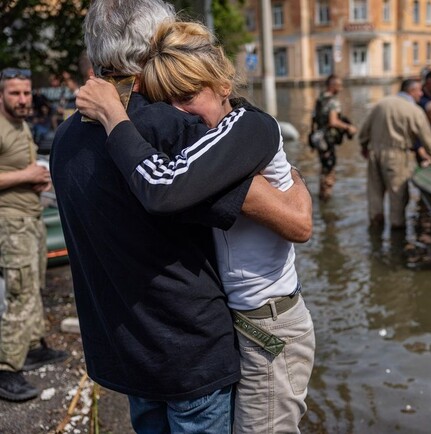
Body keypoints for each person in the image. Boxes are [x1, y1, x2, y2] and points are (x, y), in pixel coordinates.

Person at [50, 1, 310, 432]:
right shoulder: (171, 128)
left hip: (126, 352)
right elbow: (294, 219)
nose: (182, 105)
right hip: (189, 355)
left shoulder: (67, 136)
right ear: (156, 45)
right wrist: (297, 182)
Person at [0, 67, 68, 402]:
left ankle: (31, 347)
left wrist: (37, 179)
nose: (23, 99)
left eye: (26, 92)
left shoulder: (20, 122)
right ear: (2, 94)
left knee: (34, 284)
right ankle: (6, 369)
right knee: (21, 291)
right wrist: (27, 175)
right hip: (10, 223)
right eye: (15, 93)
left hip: (31, 218)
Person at [357, 80, 431, 229]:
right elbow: (428, 140)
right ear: (411, 91)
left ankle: (375, 228)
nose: (421, 94)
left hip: (374, 154)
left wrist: (365, 146)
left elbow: (363, 132)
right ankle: (397, 237)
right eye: (419, 91)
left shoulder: (381, 104)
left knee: (375, 195)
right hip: (397, 156)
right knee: (398, 197)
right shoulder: (414, 110)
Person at [312, 74, 357, 201]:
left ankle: (322, 195)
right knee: (329, 170)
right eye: (339, 85)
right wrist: (348, 127)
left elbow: (314, 120)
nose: (341, 88)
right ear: (332, 86)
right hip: (327, 140)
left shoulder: (320, 99)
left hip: (319, 139)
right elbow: (333, 121)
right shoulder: (333, 101)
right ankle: (327, 199)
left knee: (324, 168)